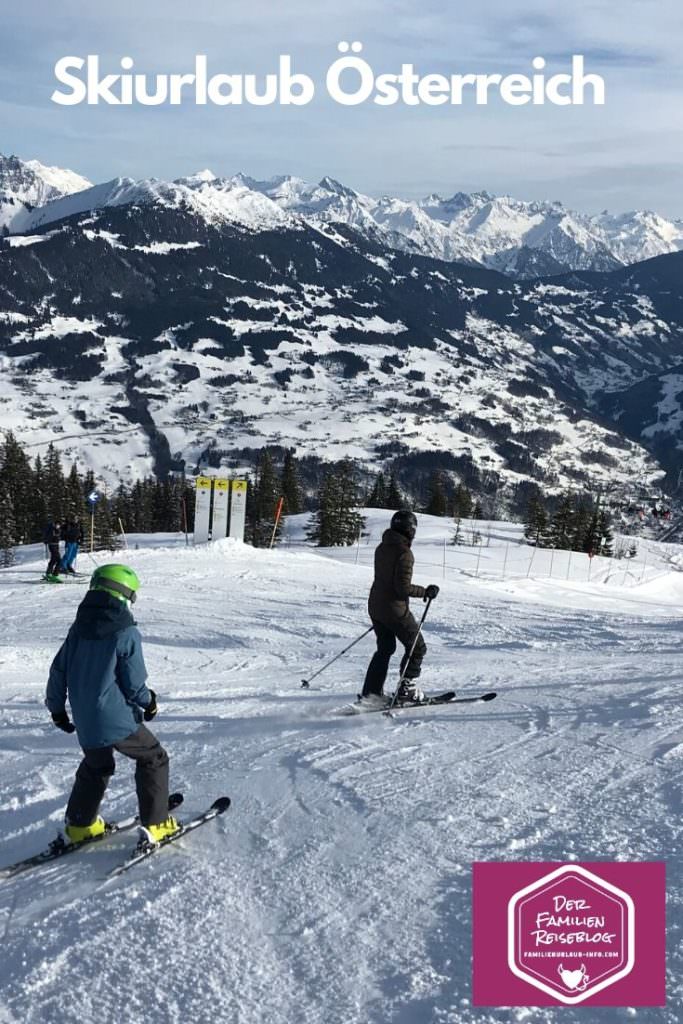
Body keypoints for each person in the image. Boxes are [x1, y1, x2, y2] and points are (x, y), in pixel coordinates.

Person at [45, 564, 179, 844]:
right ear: (124, 594)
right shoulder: (125, 631)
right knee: (153, 757)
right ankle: (156, 824)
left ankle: (80, 826)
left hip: (85, 718)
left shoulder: (78, 628)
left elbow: (58, 670)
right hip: (116, 718)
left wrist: (57, 709)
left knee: (98, 764)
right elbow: (133, 683)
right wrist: (149, 702)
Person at [361, 510, 439, 707]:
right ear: (409, 529)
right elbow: (401, 588)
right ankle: (407, 690)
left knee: (385, 648)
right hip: (394, 609)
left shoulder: (382, 547)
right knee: (417, 647)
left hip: (376, 606)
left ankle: (371, 693)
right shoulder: (404, 553)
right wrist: (425, 592)